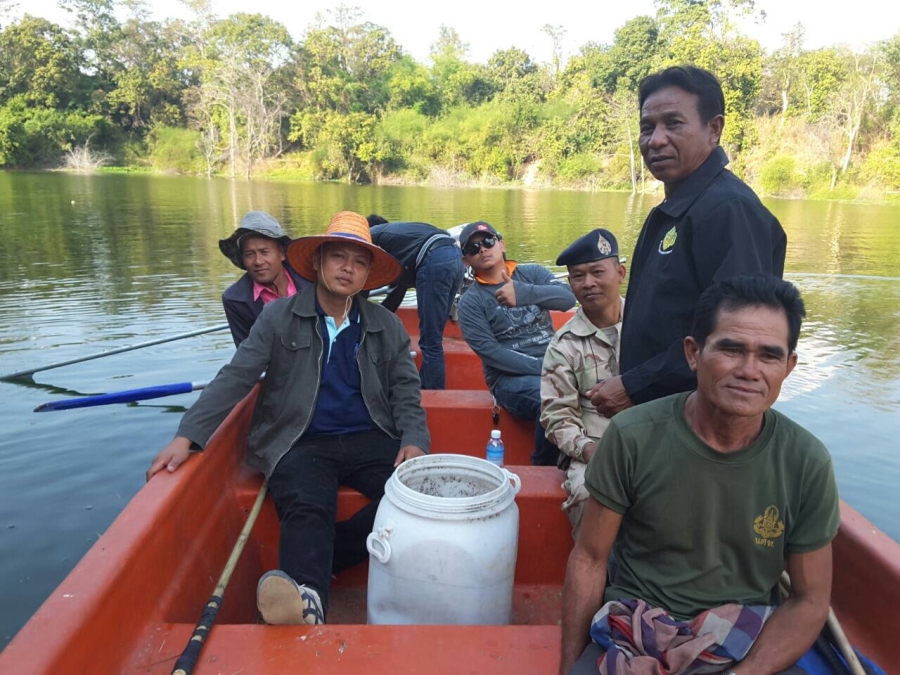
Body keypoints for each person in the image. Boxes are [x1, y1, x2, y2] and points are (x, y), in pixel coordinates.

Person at [147, 211, 430, 626]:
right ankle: (309, 600)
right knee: (308, 508)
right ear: (317, 262)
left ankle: (331, 555)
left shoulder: (385, 325)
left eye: (359, 261)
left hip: (369, 435)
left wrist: (414, 437)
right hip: (298, 438)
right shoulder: (277, 317)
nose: (347, 267)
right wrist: (188, 435)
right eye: (338, 256)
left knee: (418, 500)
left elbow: (405, 389)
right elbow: (237, 376)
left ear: (369, 272)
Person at [561, 275, 840, 675]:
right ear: (693, 353)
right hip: (638, 628)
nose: (749, 370)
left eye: (769, 356)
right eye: (731, 349)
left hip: (744, 639)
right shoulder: (633, 436)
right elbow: (589, 559)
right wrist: (570, 665)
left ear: (789, 366)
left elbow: (810, 601)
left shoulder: (806, 461)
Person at [590, 65, 787, 418]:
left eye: (673, 123)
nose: (656, 139)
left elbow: (737, 339)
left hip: (697, 426)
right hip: (658, 413)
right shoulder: (676, 210)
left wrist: (635, 385)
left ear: (714, 129)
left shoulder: (729, 211)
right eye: (647, 128)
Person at [456, 221, 576, 466]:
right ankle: (543, 466)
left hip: (555, 362)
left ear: (501, 244)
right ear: (466, 261)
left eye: (488, 241)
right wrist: (545, 368)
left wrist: (524, 293)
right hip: (509, 379)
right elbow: (492, 353)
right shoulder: (470, 303)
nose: (482, 249)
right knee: (550, 397)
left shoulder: (532, 273)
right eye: (472, 248)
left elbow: (567, 299)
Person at [540, 229, 625, 535]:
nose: (588, 283)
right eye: (578, 276)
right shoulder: (563, 346)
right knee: (589, 495)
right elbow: (556, 416)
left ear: (620, 273)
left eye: (597, 272)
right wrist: (588, 451)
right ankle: (599, 575)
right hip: (593, 446)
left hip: (650, 441)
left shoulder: (649, 326)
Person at [366, 215, 465, 390]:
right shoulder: (405, 240)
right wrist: (374, 318)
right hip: (456, 257)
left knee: (431, 341)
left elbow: (363, 283)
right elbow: (397, 293)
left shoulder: (370, 233)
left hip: (435, 258)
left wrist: (356, 314)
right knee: (434, 337)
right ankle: (427, 386)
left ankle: (434, 394)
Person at [219, 211, 310, 346]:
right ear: (243, 259)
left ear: (282, 253)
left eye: (264, 252)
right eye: (249, 254)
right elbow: (246, 355)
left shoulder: (310, 278)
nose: (258, 261)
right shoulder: (234, 299)